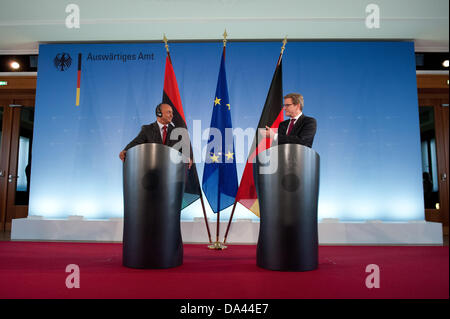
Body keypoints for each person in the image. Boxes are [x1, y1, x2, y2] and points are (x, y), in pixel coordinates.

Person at [119, 103, 192, 168]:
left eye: (172, 113)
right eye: (168, 112)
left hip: (171, 173)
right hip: (152, 171)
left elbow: (184, 151)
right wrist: (125, 150)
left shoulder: (178, 132)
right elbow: (136, 142)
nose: (172, 115)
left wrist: (188, 157)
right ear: (159, 113)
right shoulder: (147, 129)